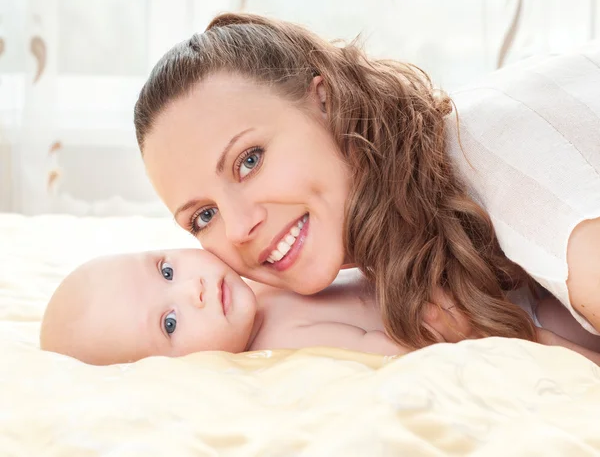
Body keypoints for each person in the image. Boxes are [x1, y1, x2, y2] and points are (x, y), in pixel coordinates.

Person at [133, 12, 600, 349]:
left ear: (327, 103)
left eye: (249, 160)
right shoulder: (394, 253)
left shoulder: (491, 157)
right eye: (204, 216)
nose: (238, 229)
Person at [39, 248, 600, 366]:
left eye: (166, 270)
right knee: (565, 327)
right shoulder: (280, 341)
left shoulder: (252, 266)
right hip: (486, 317)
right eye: (170, 321)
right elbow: (376, 350)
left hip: (481, 270)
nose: (195, 290)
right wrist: (448, 329)